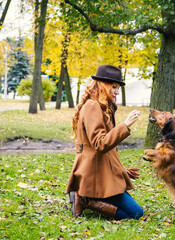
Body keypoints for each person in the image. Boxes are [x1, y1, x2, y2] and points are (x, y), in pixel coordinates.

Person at [66, 64, 143, 220]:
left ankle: (87, 198)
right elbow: (100, 144)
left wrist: (120, 170)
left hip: (101, 170)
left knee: (134, 210)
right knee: (136, 213)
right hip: (93, 174)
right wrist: (125, 124)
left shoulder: (101, 106)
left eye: (118, 87)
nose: (116, 91)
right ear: (102, 85)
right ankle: (85, 200)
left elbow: (107, 147)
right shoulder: (92, 106)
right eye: (113, 87)